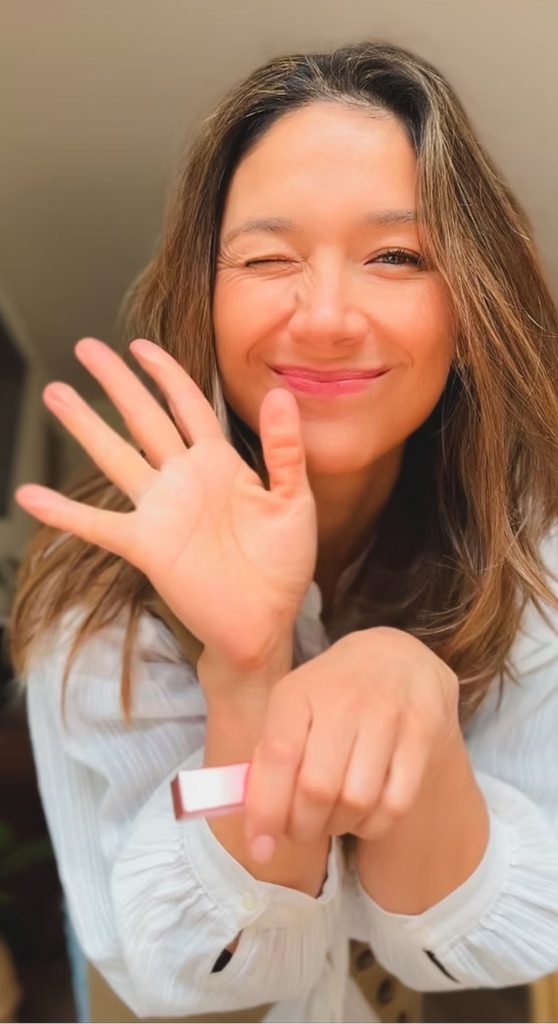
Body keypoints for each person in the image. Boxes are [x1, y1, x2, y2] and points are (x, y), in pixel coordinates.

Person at [9, 39, 558, 1024]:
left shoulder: (534, 553)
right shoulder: (96, 596)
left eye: (396, 256)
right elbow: (185, 971)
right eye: (268, 259)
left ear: (471, 304)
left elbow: (501, 934)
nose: (328, 317)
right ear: (203, 294)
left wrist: (419, 716)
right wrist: (248, 673)